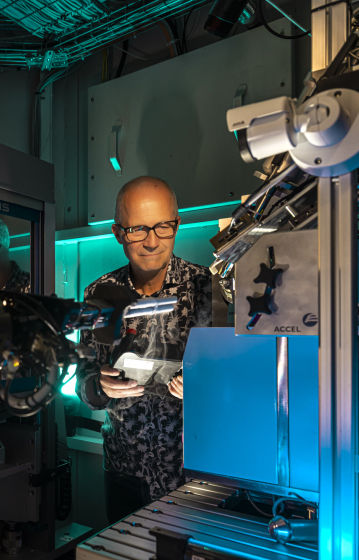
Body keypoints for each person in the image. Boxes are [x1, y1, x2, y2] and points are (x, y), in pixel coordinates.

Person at [75, 176, 212, 524]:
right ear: (118, 232)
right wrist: (98, 387)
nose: (152, 241)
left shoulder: (207, 290)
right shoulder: (100, 295)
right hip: (125, 472)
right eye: (137, 228)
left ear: (177, 225)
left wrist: (203, 389)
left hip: (194, 474)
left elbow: (234, 388)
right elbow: (84, 383)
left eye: (163, 227)